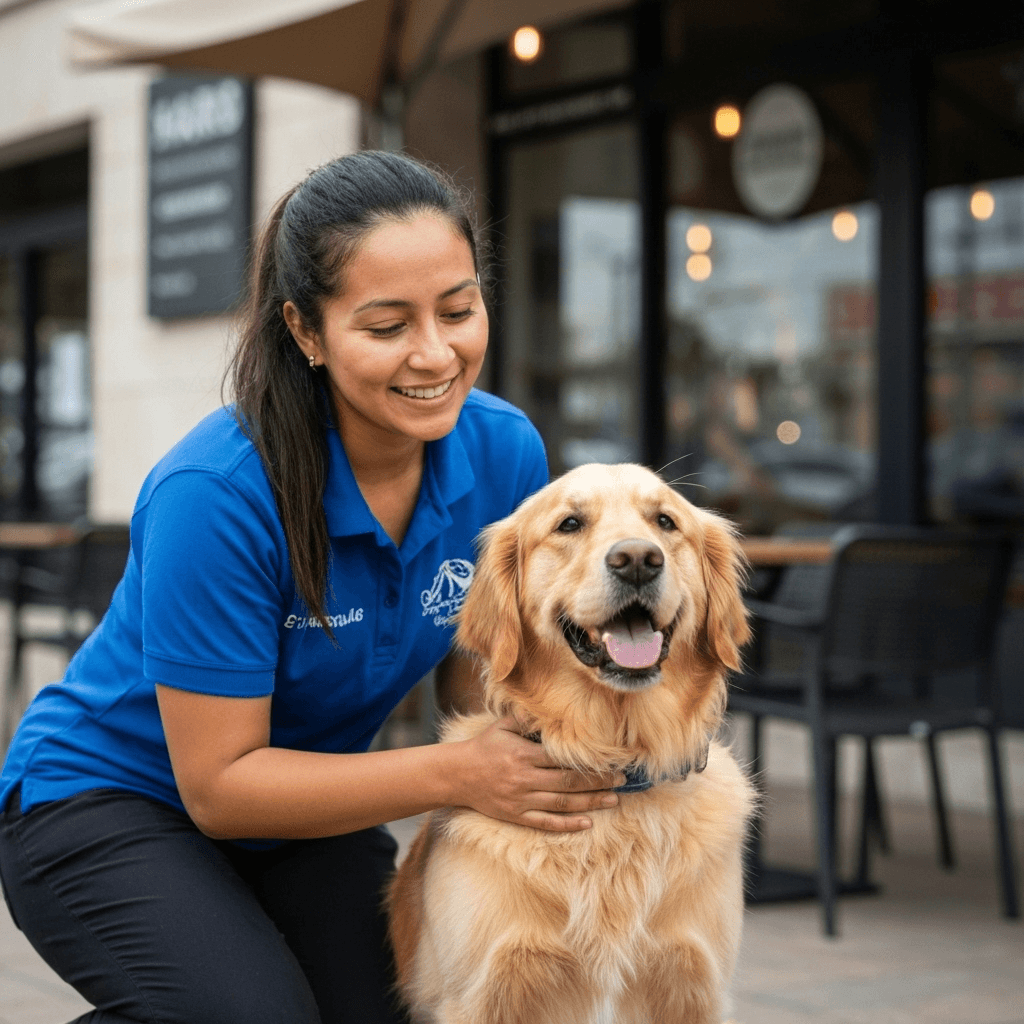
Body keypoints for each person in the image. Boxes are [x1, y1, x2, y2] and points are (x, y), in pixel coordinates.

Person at [0, 151, 624, 1024]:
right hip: (111, 802)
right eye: (385, 325)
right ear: (305, 332)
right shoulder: (214, 494)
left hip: (304, 813)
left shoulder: (504, 452)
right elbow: (219, 787)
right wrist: (457, 773)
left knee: (411, 996)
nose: (435, 353)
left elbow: (483, 672)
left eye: (458, 309)